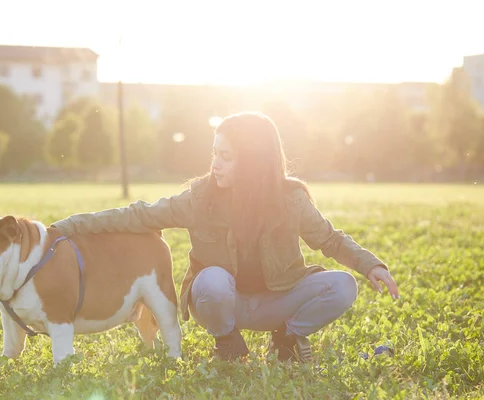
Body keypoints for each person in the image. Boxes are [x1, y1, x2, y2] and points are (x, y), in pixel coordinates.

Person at [51, 112, 400, 362]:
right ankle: (227, 342)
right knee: (212, 279)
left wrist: (370, 265)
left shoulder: (291, 199)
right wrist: (67, 226)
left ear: (252, 162)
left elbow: (331, 240)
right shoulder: (199, 197)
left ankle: (288, 338)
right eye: (214, 154)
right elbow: (137, 215)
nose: (215, 164)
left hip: (275, 302)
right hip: (221, 304)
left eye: (226, 157)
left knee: (342, 286)